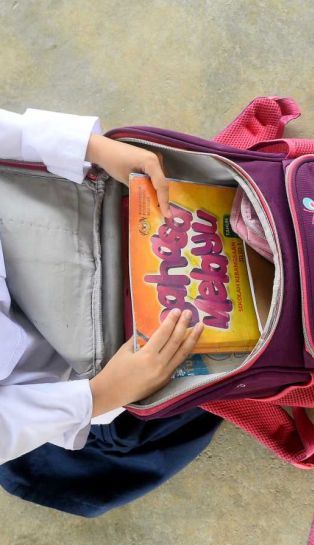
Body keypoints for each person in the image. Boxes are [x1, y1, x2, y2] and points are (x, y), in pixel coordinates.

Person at [0, 108, 222, 516]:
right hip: (60, 374)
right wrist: (103, 395)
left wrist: (92, 147)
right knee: (121, 428)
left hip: (51, 221)